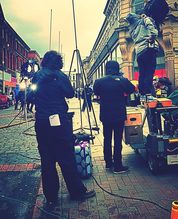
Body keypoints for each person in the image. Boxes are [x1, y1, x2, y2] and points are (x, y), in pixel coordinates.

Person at [31, 50, 95, 206]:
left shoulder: (37, 76)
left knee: (47, 159)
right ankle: (76, 191)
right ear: (59, 62)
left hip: (42, 121)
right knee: (66, 158)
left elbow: (30, 97)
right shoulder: (61, 76)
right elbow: (70, 93)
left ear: (44, 61)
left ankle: (51, 197)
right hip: (59, 121)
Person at [93, 60, 135, 174]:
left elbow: (96, 92)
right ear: (117, 68)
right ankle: (118, 165)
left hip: (105, 115)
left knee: (107, 139)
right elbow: (132, 89)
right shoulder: (122, 80)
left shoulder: (99, 81)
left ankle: (108, 163)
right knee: (117, 140)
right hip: (119, 115)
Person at [125, 12, 158, 102]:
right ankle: (148, 94)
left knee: (142, 74)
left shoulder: (131, 29)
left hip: (139, 52)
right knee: (149, 73)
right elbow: (153, 29)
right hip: (148, 48)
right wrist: (153, 35)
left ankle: (143, 95)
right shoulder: (143, 21)